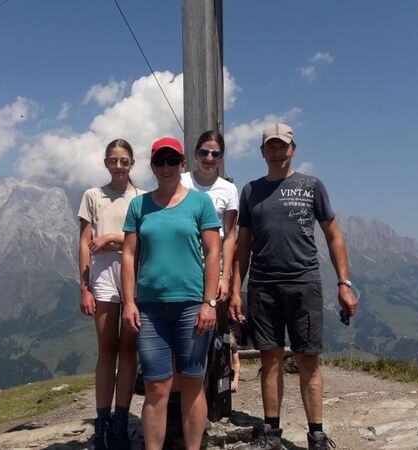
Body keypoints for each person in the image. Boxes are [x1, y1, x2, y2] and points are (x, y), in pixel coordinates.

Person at [230, 124, 357, 450]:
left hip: (305, 284)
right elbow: (242, 245)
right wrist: (235, 290)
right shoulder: (250, 191)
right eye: (270, 147)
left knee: (307, 361)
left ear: (293, 149)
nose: (276, 152)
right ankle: (271, 434)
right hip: (263, 286)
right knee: (269, 361)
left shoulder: (312, 186)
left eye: (282, 146)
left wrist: (344, 283)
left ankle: (316, 435)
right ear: (262, 153)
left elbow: (334, 235)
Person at [121, 137, 221, 450]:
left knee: (192, 383)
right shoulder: (139, 205)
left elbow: (213, 252)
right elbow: (128, 255)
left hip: (193, 306)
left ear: (183, 164)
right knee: (156, 387)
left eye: (172, 161)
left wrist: (210, 302)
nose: (166, 167)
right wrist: (128, 302)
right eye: (159, 161)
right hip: (150, 309)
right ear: (151, 165)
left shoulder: (200, 203)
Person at [78, 139, 144, 450]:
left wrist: (112, 237)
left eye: (124, 161)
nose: (119, 166)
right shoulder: (93, 195)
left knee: (129, 348)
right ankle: (102, 421)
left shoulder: (142, 198)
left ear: (133, 163)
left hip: (133, 268)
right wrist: (85, 286)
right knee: (107, 348)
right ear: (106, 162)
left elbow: (144, 237)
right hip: (103, 270)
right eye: (113, 160)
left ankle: (121, 420)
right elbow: (83, 240)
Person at [180, 130, 239, 301]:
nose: (209, 158)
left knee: (207, 319)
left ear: (221, 158)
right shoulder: (181, 181)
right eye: (204, 152)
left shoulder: (229, 189)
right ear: (195, 154)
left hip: (213, 264)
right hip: (183, 261)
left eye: (215, 154)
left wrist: (224, 277)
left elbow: (229, 235)